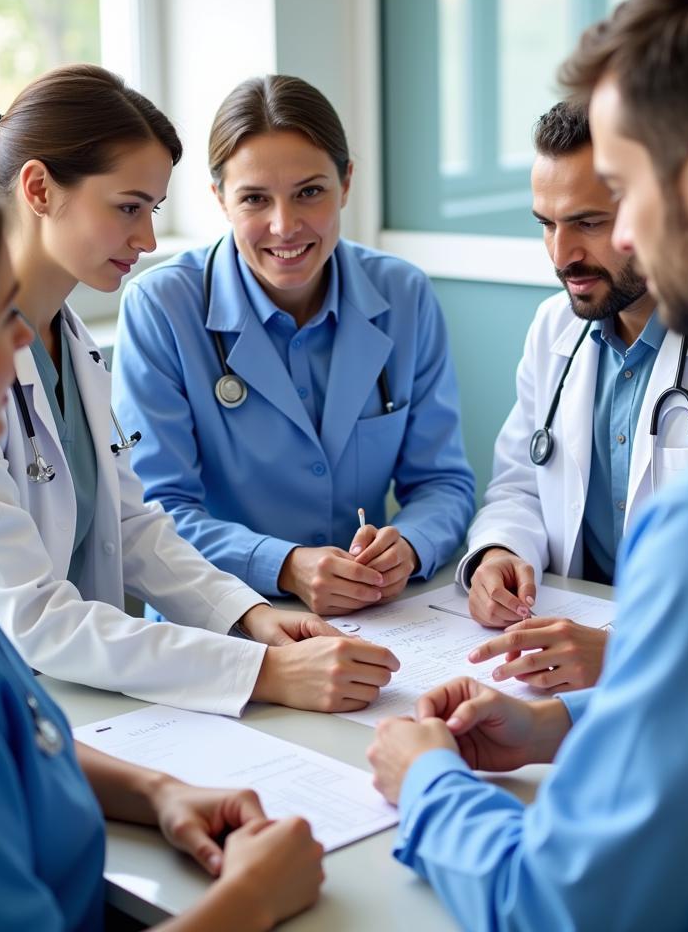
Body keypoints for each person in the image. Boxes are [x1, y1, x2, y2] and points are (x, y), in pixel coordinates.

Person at [368, 0, 688, 930]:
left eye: (625, 191)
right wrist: (568, 721)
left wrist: (425, 781)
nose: (620, 239)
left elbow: (563, 905)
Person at [0, 145, 324, 931]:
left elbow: (19, 732)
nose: (26, 342)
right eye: (2, 318)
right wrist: (250, 901)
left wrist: (156, 792)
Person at [0, 64, 399, 714]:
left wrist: (249, 618)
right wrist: (261, 673)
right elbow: (30, 615)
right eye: (128, 207)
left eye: (152, 210)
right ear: (39, 188)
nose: (148, 239)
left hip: (86, 701)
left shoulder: (71, 343)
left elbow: (132, 526)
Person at [113, 75, 475, 616]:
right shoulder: (162, 306)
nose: (285, 226)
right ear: (220, 200)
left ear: (346, 183)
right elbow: (156, 513)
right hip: (218, 618)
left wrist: (411, 543)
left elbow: (443, 482)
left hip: (373, 617)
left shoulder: (404, 295)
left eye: (310, 192)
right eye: (255, 199)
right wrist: (282, 564)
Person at [459, 100, 688, 691]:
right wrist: (499, 554)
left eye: (588, 222)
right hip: (563, 656)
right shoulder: (552, 329)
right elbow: (519, 483)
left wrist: (624, 653)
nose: (562, 257)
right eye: (546, 223)